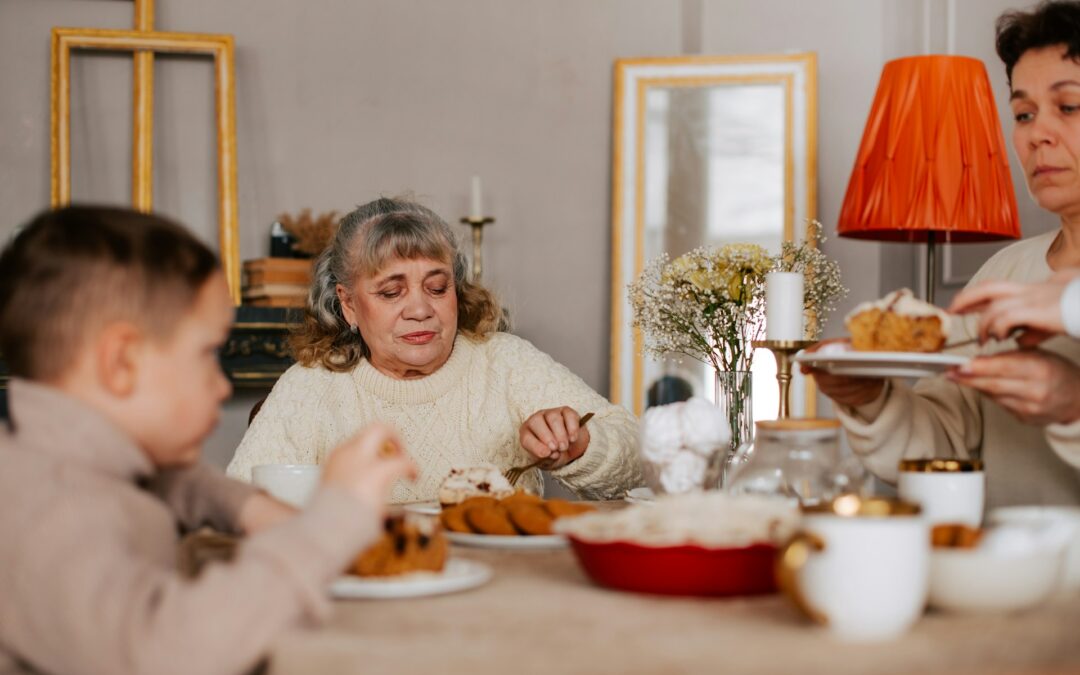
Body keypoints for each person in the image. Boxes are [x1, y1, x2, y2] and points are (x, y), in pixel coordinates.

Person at [0, 206, 414, 675]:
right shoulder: (49, 514)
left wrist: (249, 508)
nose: (221, 386)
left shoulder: (49, 456)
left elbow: (169, 480)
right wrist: (329, 523)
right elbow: (169, 651)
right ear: (120, 364)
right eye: (206, 354)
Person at [802, 0, 1080, 508]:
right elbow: (948, 440)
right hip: (992, 579)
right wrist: (871, 400)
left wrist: (1073, 405)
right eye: (1023, 113)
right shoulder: (1004, 274)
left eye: (1070, 106)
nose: (1038, 134)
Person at [226, 197, 641, 502]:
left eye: (437, 287)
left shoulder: (506, 361)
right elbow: (240, 505)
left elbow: (635, 454)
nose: (421, 309)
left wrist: (580, 445)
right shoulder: (310, 386)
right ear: (348, 303)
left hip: (501, 595)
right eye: (391, 292)